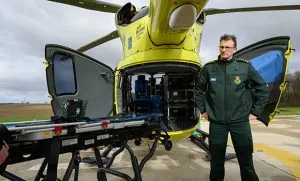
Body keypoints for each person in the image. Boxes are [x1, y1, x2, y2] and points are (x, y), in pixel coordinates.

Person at [195, 34, 269, 181]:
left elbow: (262, 88)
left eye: (227, 47)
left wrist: (255, 111)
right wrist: (203, 110)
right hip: (217, 123)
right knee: (216, 163)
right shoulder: (209, 68)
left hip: (240, 122)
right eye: (221, 46)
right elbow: (198, 90)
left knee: (246, 162)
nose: (224, 50)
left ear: (234, 49)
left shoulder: (244, 66)